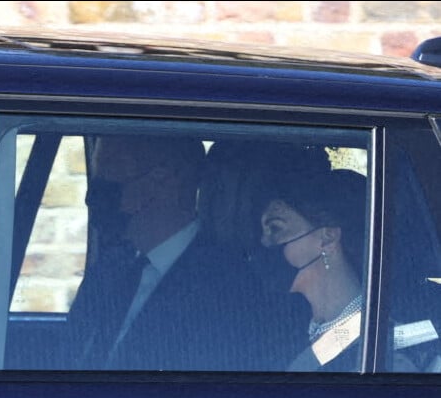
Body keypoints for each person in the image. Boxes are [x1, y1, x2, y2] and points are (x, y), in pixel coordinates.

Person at [66, 133, 280, 370]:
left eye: (109, 173)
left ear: (161, 178)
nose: (94, 194)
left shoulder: (227, 288)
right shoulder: (109, 268)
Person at [257, 166, 368, 372]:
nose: (265, 243)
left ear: (328, 238)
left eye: (276, 229)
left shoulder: (380, 345)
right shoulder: (277, 329)